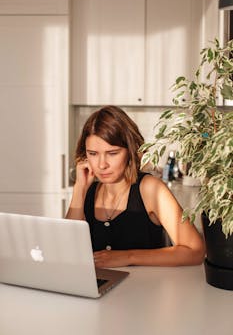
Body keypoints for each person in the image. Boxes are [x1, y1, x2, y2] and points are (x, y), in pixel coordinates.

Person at [66, 105, 205, 268]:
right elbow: (67, 251)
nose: (101, 165)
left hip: (145, 291)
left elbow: (195, 251)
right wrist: (79, 189)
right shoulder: (88, 192)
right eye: (93, 154)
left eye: (112, 153)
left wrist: (128, 256)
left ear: (130, 151)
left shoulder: (150, 189)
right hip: (99, 290)